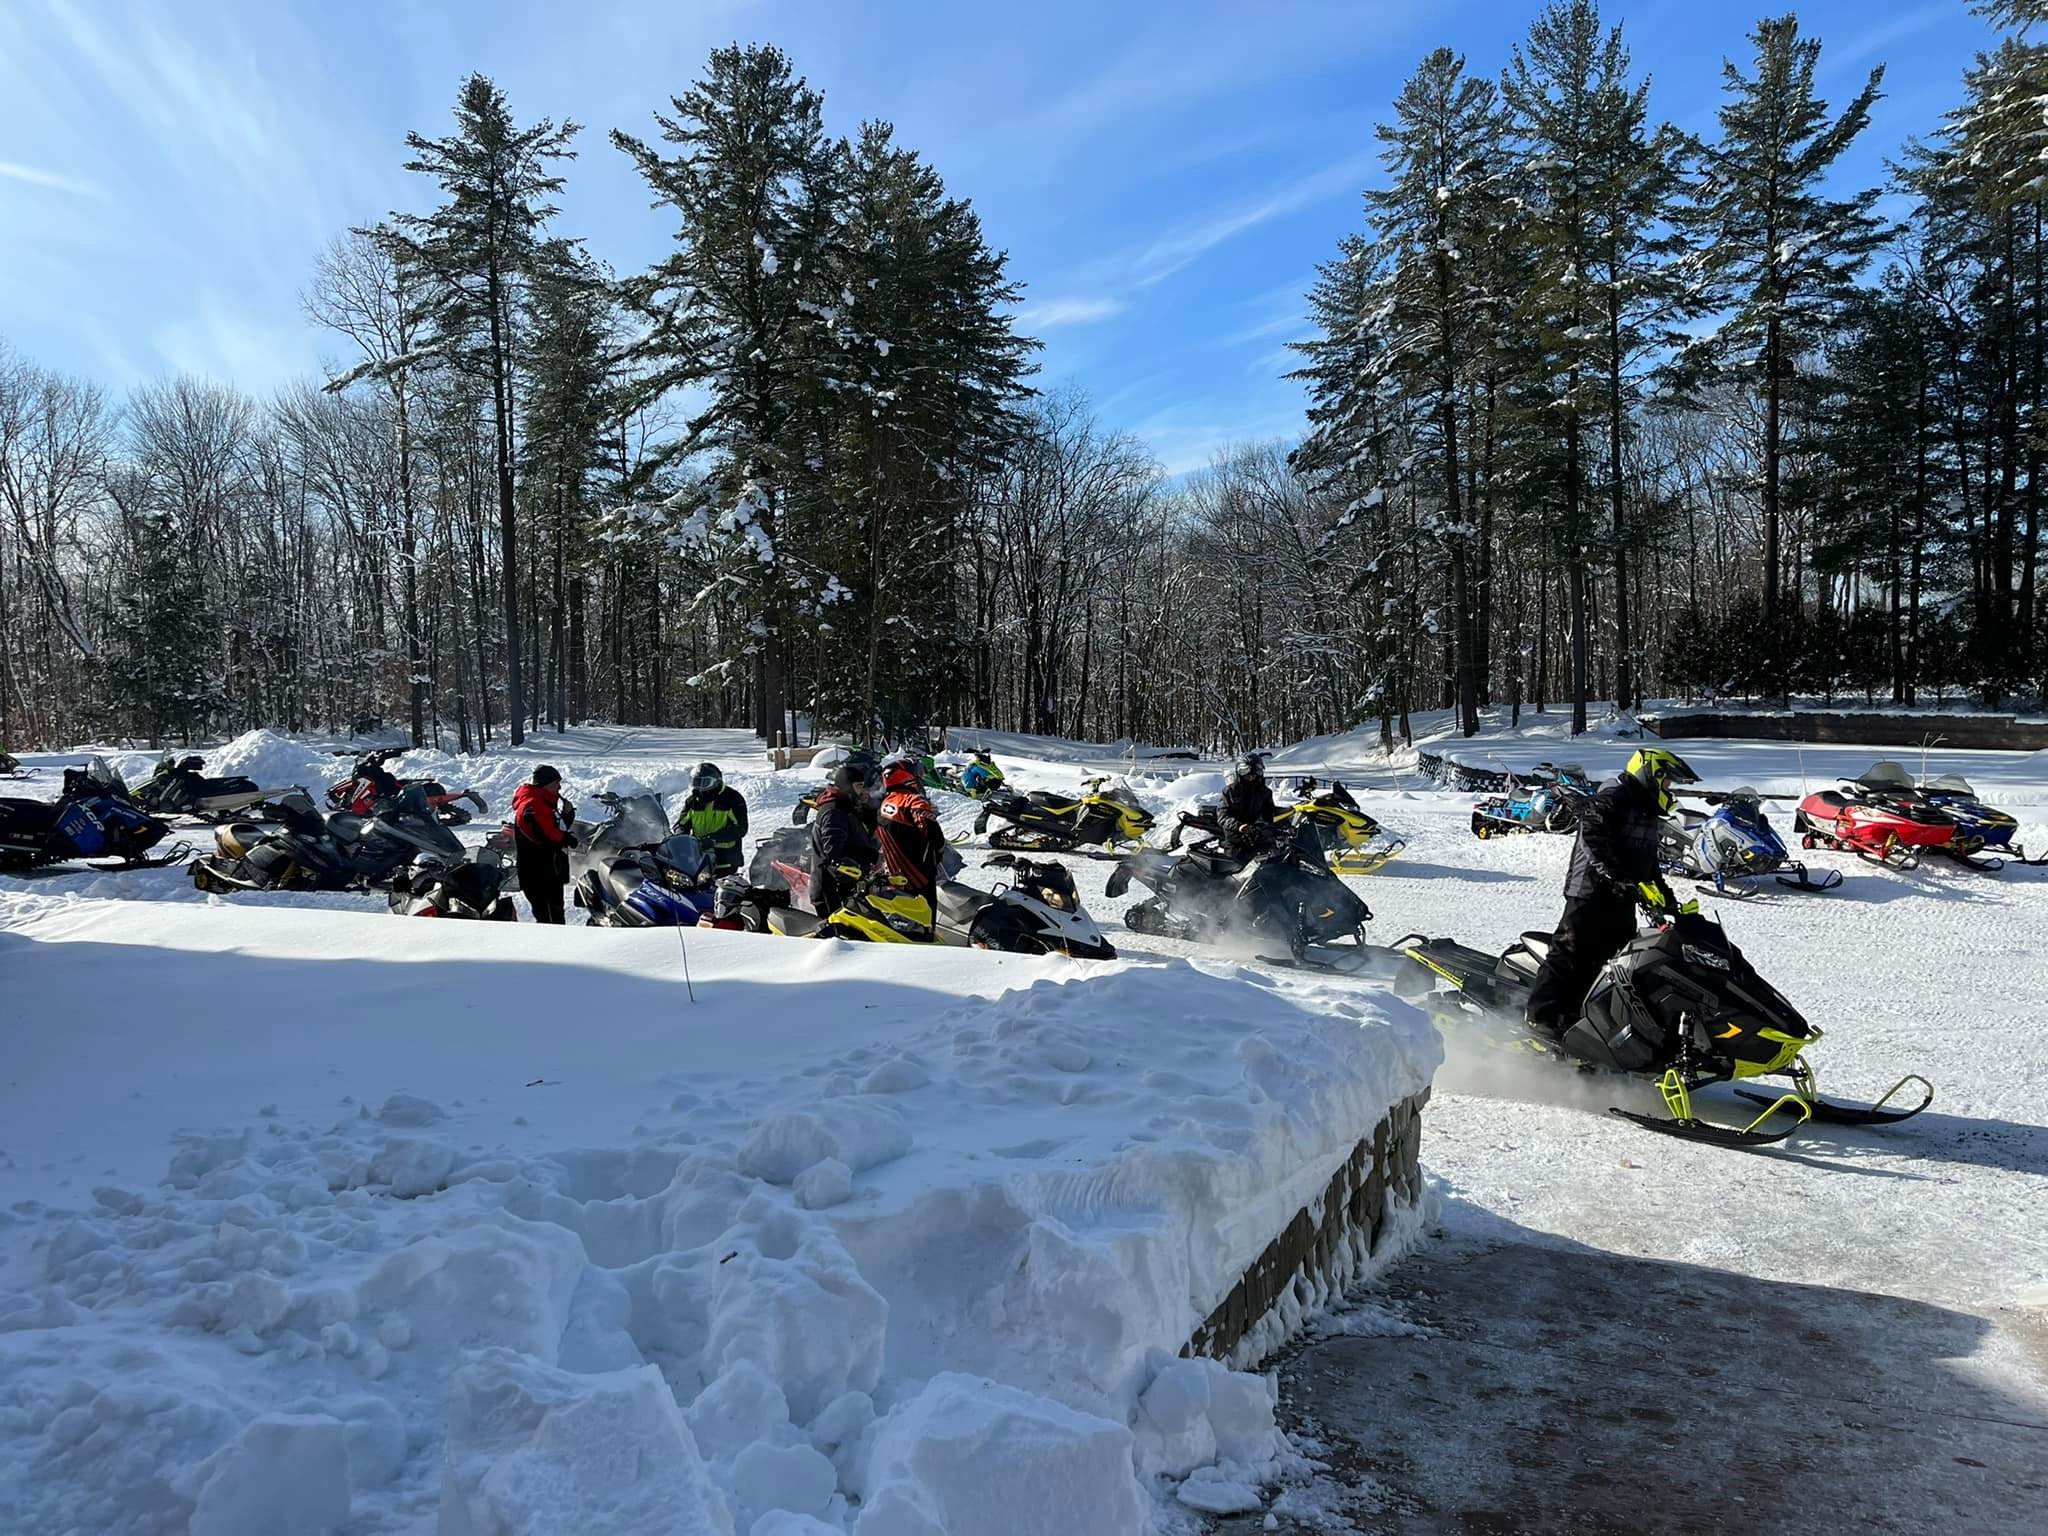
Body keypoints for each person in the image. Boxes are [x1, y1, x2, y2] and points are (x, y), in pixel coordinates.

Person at [1525, 748, 1700, 1044]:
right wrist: (1616, 875)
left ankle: (1585, 1018)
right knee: (1570, 951)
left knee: (1618, 960)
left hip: (1622, 895)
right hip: (1589, 890)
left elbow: (1648, 862)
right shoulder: (1614, 798)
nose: (1670, 790)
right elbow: (1592, 835)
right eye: (1668, 783)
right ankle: (1540, 1018)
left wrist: (1667, 900)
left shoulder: (1647, 810)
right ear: (1651, 775)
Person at [807, 756, 881, 917]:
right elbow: (835, 853)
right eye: (859, 786)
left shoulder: (847, 805)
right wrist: (868, 857)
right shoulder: (834, 811)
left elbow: (865, 831)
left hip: (848, 885)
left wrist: (867, 805)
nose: (863, 790)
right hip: (833, 890)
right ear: (847, 785)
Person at [510, 765, 576, 924]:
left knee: (555, 915)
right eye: (556, 783)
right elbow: (546, 836)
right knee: (549, 920)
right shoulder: (534, 804)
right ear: (545, 784)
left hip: (548, 870)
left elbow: (555, 828)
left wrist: (567, 815)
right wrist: (566, 839)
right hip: (538, 873)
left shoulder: (544, 802)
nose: (559, 787)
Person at [877, 758, 947, 898]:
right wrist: (939, 852)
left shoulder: (884, 804)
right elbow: (932, 832)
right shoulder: (913, 800)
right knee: (927, 909)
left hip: (895, 874)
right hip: (920, 875)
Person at [673, 762, 750, 878]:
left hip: (725, 860)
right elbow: (681, 823)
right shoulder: (692, 801)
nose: (699, 787)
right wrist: (681, 836)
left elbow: (740, 828)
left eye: (704, 783)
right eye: (696, 782)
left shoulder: (732, 798)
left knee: (720, 889)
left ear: (716, 782)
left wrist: (713, 839)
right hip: (698, 859)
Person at [1217, 754, 1278, 859]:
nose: (1250, 778)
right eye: (1246, 775)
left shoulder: (1265, 792)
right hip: (1235, 835)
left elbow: (1269, 814)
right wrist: (1239, 826)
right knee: (1237, 860)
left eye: (1253, 775)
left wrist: (1259, 825)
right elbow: (1223, 815)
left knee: (1272, 857)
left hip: (1257, 834)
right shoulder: (1230, 791)